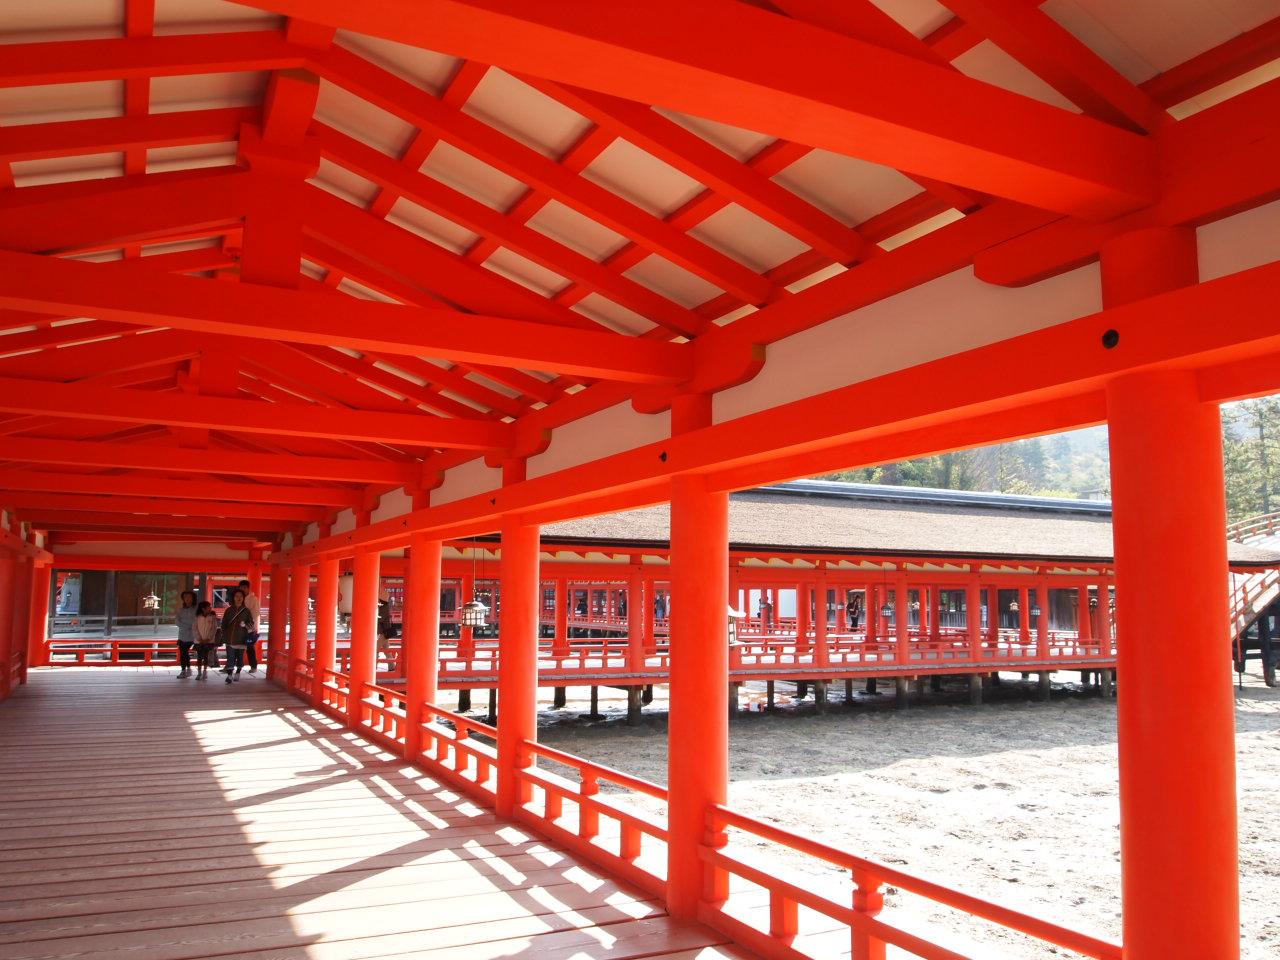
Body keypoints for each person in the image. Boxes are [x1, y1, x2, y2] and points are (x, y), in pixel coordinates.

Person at [221, 589, 254, 684]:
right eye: (236, 596)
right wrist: (224, 634)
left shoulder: (246, 611)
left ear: (243, 598)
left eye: (241, 596)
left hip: (242, 638)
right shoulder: (228, 610)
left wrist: (245, 625)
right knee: (230, 657)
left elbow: (251, 623)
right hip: (230, 638)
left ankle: (238, 672)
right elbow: (224, 624)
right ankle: (229, 675)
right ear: (233, 598)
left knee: (240, 657)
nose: (239, 598)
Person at [238, 578, 261, 674]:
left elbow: (255, 614)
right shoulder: (239, 597)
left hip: (249, 626)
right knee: (236, 646)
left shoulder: (253, 599)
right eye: (241, 588)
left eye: (244, 588)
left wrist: (252, 627)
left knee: (250, 647)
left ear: (248, 588)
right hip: (239, 625)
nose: (242, 589)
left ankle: (253, 666)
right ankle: (233, 665)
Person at [193, 601, 220, 680]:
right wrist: (199, 638)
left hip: (208, 640)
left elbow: (214, 628)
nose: (210, 608)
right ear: (203, 608)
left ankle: (205, 671)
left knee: (206, 656)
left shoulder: (212, 617)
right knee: (199, 657)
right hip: (199, 641)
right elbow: (194, 628)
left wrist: (209, 638)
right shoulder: (197, 617)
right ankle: (199, 673)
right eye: (209, 607)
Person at [175, 590, 197, 679]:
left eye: (189, 597)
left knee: (189, 652)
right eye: (185, 597)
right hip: (182, 635)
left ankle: (201, 671)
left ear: (193, 598)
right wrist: (187, 626)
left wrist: (189, 626)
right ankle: (184, 669)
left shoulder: (197, 610)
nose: (187, 599)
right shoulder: (180, 610)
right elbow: (177, 621)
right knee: (183, 653)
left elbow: (196, 621)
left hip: (193, 635)